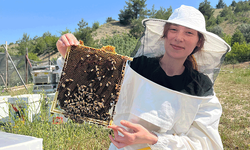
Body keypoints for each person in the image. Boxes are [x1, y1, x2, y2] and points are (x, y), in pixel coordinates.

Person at [56, 5, 230, 150]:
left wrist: (153, 139)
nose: (179, 38)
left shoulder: (201, 89)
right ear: (165, 34)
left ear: (199, 41)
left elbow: (205, 144)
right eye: (174, 30)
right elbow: (94, 87)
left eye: (189, 33)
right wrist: (70, 56)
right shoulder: (138, 67)